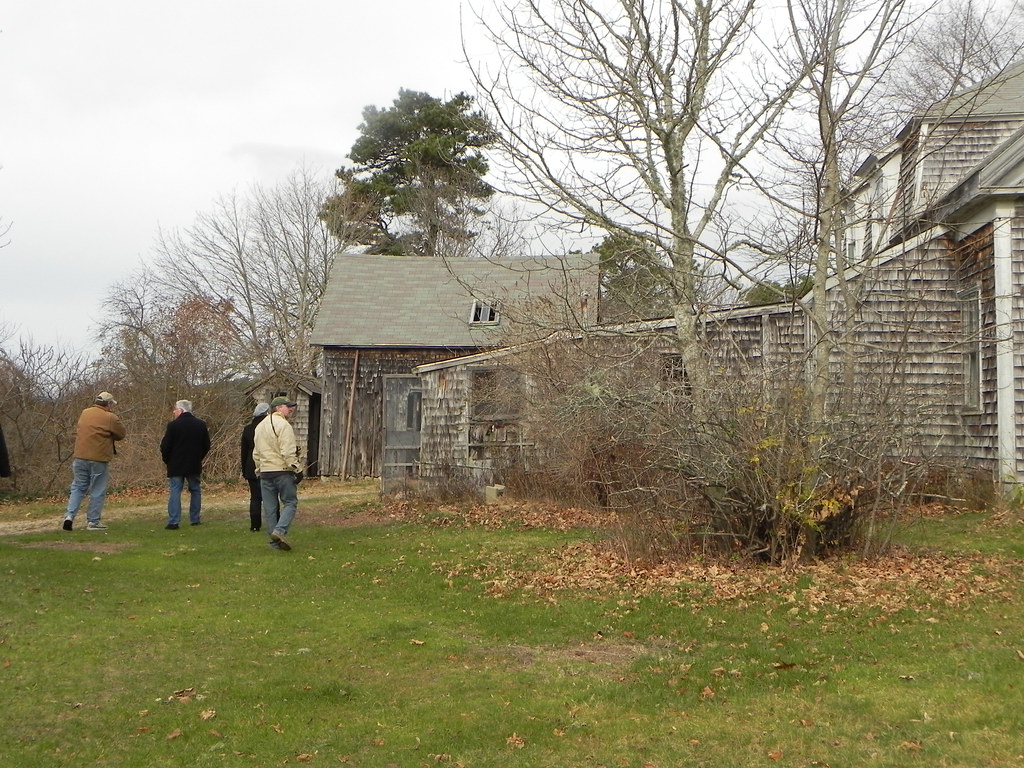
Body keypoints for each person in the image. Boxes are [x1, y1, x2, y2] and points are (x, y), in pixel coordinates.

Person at [63, 391, 126, 531]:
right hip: (99, 459)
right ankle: (93, 521)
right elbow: (121, 434)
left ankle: (69, 516)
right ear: (108, 404)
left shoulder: (85, 413)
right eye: (111, 404)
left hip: (80, 457)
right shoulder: (110, 417)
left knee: (78, 487)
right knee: (97, 490)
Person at [252, 396, 302, 551]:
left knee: (270, 509)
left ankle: (275, 544)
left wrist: (259, 469)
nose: (291, 409)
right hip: (282, 471)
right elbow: (288, 451)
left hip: (265, 472)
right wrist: (297, 469)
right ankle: (279, 531)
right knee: (290, 502)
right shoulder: (284, 425)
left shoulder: (259, 426)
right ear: (278, 408)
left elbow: (256, 453)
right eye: (288, 406)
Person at [159, 400, 211, 530]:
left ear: (181, 410)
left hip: (176, 464)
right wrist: (198, 457)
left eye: (175, 410)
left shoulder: (173, 426)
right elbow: (206, 445)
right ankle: (195, 519)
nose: (174, 412)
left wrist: (167, 460)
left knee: (175, 491)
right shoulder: (201, 424)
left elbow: (165, 446)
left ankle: (174, 521)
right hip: (194, 463)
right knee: (195, 490)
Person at [240, 402, 270, 531]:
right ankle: (274, 523)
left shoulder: (248, 429)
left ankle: (255, 525)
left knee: (255, 497)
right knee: (270, 496)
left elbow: (244, 451)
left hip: (251, 465)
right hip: (267, 464)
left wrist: (244, 469)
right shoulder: (269, 427)